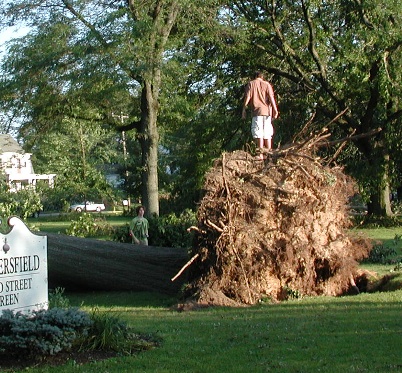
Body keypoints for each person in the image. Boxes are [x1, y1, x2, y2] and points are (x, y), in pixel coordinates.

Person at [242, 71, 279, 156]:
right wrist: (275, 110)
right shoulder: (267, 84)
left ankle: (260, 155)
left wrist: (244, 109)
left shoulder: (251, 84)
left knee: (258, 133)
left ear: (254, 76)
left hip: (257, 112)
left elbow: (247, 97)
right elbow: (271, 98)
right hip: (267, 112)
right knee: (267, 133)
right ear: (262, 76)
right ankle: (269, 153)